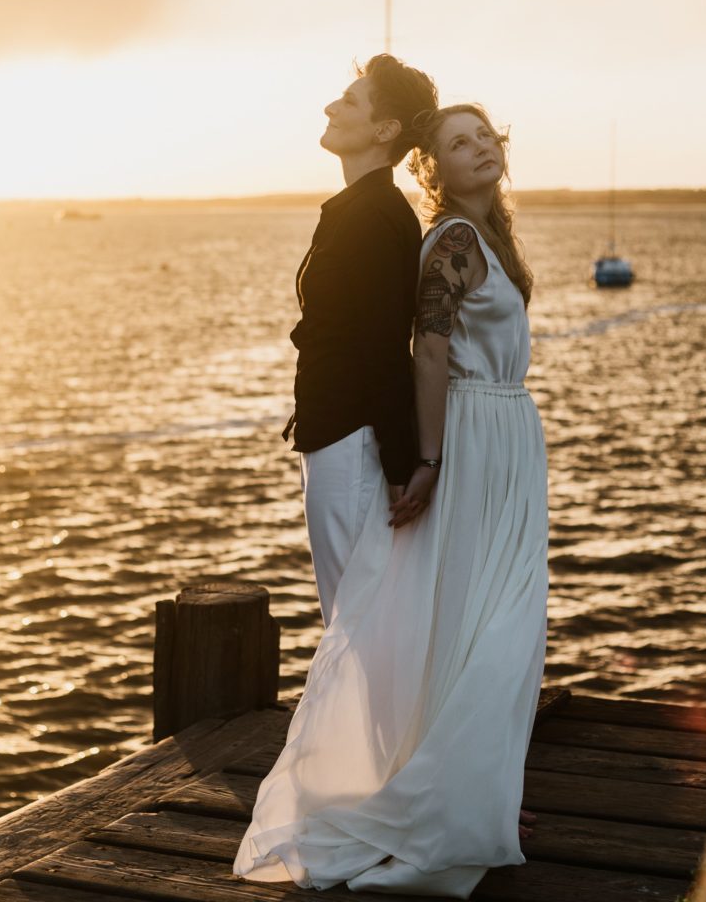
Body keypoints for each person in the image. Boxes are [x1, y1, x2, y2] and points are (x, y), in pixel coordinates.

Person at [234, 102, 548, 897]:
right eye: (457, 143)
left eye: (485, 138)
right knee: (492, 625)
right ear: (432, 167)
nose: (478, 149)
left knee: (491, 620)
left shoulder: (493, 238)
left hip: (508, 432)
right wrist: (431, 456)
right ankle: (438, 797)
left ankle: (472, 791)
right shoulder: (450, 240)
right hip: (473, 434)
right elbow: (431, 349)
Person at [281, 54, 439, 625]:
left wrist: (400, 466)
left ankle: (370, 720)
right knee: (352, 615)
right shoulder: (360, 209)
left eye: (350, 101)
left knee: (355, 620)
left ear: (385, 130)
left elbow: (384, 349)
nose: (331, 106)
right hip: (338, 434)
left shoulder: (374, 215)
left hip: (353, 443)